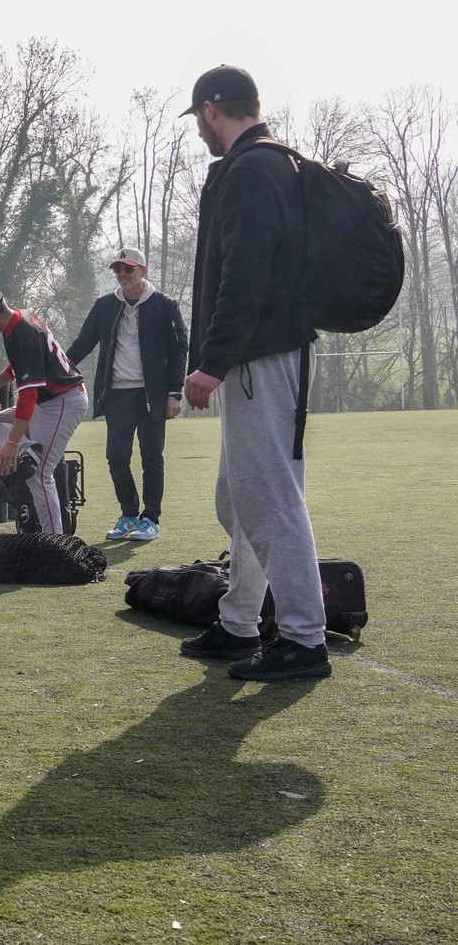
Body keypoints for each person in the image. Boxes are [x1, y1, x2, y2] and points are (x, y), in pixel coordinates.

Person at [175, 65, 329, 682]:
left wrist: (211, 361)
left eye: (200, 122)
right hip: (262, 354)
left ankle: (303, 639)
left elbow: (245, 275)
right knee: (240, 498)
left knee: (268, 499)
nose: (201, 135)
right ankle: (241, 621)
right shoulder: (271, 164)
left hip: (255, 356)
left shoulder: (252, 168)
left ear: (212, 110)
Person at [65, 247, 189, 542]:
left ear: (142, 272)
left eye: (128, 270)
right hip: (117, 395)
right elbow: (84, 342)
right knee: (116, 456)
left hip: (152, 397)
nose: (122, 275)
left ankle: (150, 519)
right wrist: (59, 369)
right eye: (118, 270)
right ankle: (129, 514)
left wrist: (175, 393)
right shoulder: (105, 305)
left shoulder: (165, 306)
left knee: (151, 459)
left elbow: (179, 349)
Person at [0, 284, 88, 535]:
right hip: (48, 402)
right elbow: (21, 363)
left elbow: (29, 394)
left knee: (39, 476)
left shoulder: (21, 334)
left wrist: (13, 443)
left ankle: (55, 542)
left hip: (62, 402)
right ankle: (32, 451)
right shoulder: (20, 318)